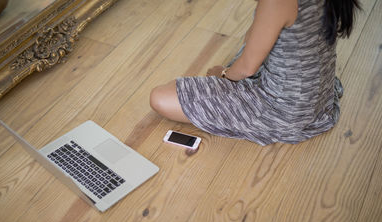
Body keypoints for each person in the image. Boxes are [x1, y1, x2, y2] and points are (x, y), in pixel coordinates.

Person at [149, 0, 361, 146]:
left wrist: (222, 76)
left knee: (160, 98)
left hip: (283, 111)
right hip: (318, 93)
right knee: (250, 46)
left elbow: (248, 67)